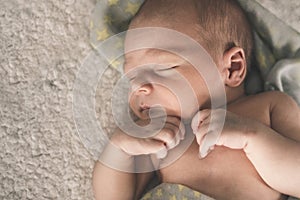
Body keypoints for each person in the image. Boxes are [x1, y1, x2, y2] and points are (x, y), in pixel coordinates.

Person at [93, 0, 300, 199]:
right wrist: (119, 147)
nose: (138, 87)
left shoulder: (269, 107)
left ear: (232, 67)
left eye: (163, 68)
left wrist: (252, 137)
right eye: (132, 77)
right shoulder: (160, 135)